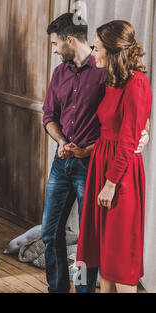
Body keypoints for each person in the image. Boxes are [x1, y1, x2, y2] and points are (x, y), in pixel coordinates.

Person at [41, 13, 150, 293]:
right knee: (56, 235)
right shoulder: (60, 73)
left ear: (68, 40)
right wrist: (62, 142)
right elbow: (48, 115)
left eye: (55, 44)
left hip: (93, 164)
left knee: (97, 246)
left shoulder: (107, 73)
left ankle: (84, 291)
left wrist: (145, 131)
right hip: (63, 160)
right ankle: (57, 289)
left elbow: (133, 117)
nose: (53, 50)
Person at [76, 21, 152, 293]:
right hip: (101, 163)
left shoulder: (137, 83)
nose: (93, 52)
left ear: (112, 50)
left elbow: (129, 138)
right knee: (103, 254)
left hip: (120, 175)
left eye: (97, 48)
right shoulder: (111, 80)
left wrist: (111, 183)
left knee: (120, 257)